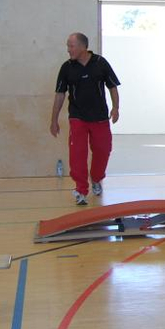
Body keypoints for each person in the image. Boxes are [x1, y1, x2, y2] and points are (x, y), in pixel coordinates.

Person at [50, 33, 121, 206]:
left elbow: (112, 86)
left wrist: (115, 108)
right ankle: (81, 190)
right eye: (68, 46)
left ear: (83, 47)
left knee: (103, 150)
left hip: (100, 117)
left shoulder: (100, 63)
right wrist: (54, 120)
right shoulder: (67, 67)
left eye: (71, 46)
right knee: (77, 154)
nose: (68, 50)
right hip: (77, 117)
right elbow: (60, 94)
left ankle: (96, 178)